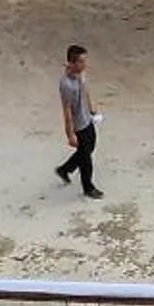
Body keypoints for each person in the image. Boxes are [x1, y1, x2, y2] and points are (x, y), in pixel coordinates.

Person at [54, 43, 103, 198]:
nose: (84, 64)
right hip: (78, 125)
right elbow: (67, 110)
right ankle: (88, 187)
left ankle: (65, 169)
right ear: (73, 63)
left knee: (89, 148)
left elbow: (85, 89)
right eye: (81, 61)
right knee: (86, 158)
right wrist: (70, 134)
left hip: (87, 119)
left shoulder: (80, 74)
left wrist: (91, 108)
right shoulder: (66, 85)